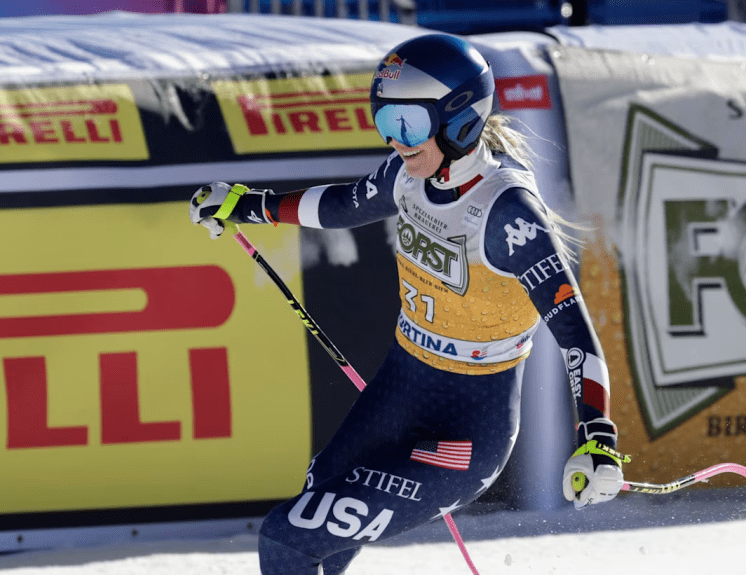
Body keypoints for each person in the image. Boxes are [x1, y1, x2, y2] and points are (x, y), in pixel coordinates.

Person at [189, 33, 626, 575]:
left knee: (288, 536)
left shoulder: (508, 214)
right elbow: (344, 205)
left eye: (410, 124)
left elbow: (577, 336)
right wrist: (249, 205)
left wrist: (598, 436)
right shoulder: (409, 174)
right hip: (400, 387)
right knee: (315, 509)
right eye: (386, 121)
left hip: (466, 429)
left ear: (460, 119)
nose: (397, 141)